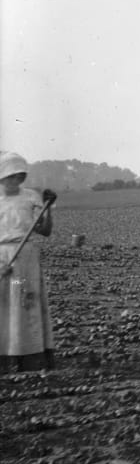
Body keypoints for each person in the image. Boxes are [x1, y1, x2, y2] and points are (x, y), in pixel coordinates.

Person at [0, 152, 57, 373]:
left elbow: (45, 231)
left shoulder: (31, 197)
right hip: (3, 257)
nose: (15, 181)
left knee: (25, 303)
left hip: (26, 259)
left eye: (19, 176)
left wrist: (48, 209)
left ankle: (30, 357)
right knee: (5, 306)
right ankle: (5, 358)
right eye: (10, 176)